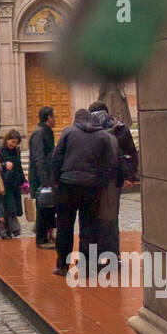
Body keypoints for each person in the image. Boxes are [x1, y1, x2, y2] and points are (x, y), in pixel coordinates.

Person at [51, 109, 118, 277]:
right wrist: (101, 182)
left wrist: (57, 181)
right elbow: (111, 162)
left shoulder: (68, 131)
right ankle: (87, 265)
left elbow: (56, 158)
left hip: (68, 185)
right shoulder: (102, 135)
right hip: (92, 187)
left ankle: (63, 265)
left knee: (64, 226)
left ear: (76, 119)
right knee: (89, 227)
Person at [88, 100, 139, 260]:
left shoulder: (117, 129)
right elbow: (133, 153)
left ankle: (109, 253)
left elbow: (130, 153)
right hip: (103, 180)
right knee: (105, 217)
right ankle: (107, 253)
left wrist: (129, 175)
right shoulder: (115, 128)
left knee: (106, 217)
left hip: (107, 180)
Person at [28, 106, 57, 249]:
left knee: (50, 208)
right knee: (43, 209)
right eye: (54, 117)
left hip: (48, 177)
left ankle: (46, 234)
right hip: (41, 178)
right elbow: (39, 158)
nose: (56, 119)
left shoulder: (47, 132)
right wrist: (44, 180)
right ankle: (41, 238)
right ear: (48, 118)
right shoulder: (39, 133)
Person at [0, 129, 29, 236]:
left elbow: (19, 166)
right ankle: (15, 228)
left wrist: (24, 181)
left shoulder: (17, 151)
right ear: (7, 140)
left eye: (16, 142)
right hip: (5, 182)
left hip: (15, 182)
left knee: (15, 206)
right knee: (10, 206)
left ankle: (7, 229)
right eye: (12, 142)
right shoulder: (0, 151)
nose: (14, 144)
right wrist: (4, 165)